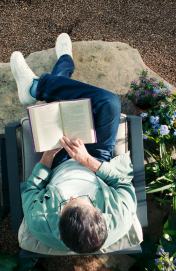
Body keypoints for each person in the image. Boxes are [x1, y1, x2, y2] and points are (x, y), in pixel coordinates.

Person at [10, 33, 136, 254]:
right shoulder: (120, 217)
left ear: (59, 229)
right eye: (84, 200)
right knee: (110, 103)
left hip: (56, 162)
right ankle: (38, 86)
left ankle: (58, 69)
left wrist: (48, 155)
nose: (74, 196)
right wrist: (87, 160)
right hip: (96, 159)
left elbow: (30, 188)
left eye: (67, 203)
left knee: (59, 109)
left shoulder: (40, 223)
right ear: (100, 215)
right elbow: (123, 182)